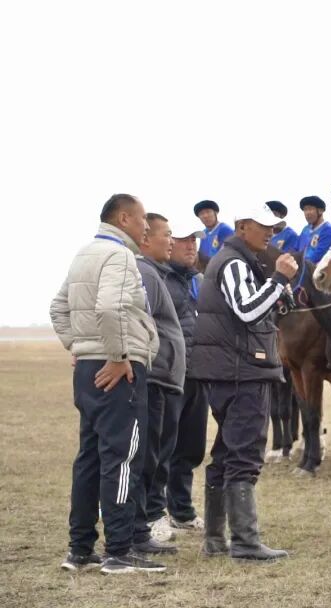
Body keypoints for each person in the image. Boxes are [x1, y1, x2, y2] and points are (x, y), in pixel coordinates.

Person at [50, 193, 164, 574]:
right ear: (124, 217)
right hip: (119, 369)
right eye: (143, 217)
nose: (146, 225)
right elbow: (110, 307)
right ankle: (119, 551)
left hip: (88, 368)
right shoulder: (119, 256)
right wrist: (117, 357)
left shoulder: (85, 252)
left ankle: (80, 550)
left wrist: (80, 347)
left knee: (90, 458)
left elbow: (57, 307)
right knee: (123, 457)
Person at [189, 203, 299, 562]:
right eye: (263, 226)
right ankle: (246, 543)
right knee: (244, 453)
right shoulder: (235, 263)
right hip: (241, 371)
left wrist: (278, 293)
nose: (271, 233)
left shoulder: (231, 259)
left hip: (226, 369)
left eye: (274, 227)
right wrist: (280, 279)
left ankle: (216, 539)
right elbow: (248, 310)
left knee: (225, 451)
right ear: (241, 226)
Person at [135, 214, 187, 550]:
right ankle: (144, 525)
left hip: (165, 379)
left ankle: (148, 520)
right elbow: (140, 323)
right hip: (155, 378)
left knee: (159, 453)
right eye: (167, 234)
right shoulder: (145, 273)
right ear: (145, 239)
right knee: (149, 456)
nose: (172, 241)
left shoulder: (157, 273)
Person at [159, 216, 208, 533]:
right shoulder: (157, 278)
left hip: (197, 372)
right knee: (162, 447)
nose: (191, 245)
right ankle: (154, 513)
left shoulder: (198, 281)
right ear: (168, 242)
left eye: (195, 239)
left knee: (190, 447)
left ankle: (181, 509)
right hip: (168, 374)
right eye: (184, 239)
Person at [296, 195, 331, 266]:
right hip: (300, 267)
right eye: (305, 210)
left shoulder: (328, 230)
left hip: (315, 271)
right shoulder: (305, 229)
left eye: (310, 209)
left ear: (320, 211)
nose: (307, 213)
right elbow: (296, 249)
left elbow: (316, 257)